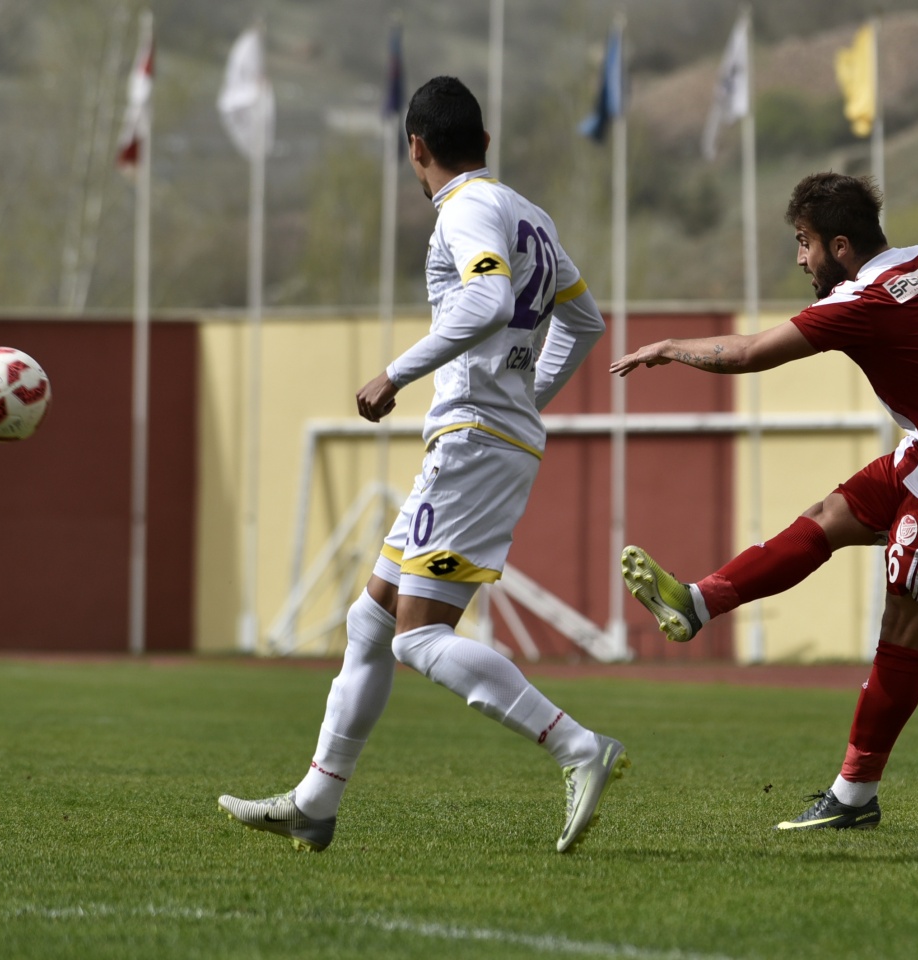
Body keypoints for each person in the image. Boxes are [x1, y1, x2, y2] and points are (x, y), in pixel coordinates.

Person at [611, 172, 918, 830]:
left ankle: (854, 796)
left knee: (901, 628)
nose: (801, 259)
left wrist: (672, 349)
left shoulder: (862, 301)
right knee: (828, 519)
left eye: (804, 243)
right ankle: (698, 602)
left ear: (841, 246)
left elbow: (749, 354)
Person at [220, 77, 626, 853]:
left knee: (416, 638)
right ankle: (315, 801)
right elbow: (585, 319)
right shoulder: (525, 212)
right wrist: (529, 395)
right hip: (486, 434)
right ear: (485, 140)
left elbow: (485, 302)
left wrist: (394, 375)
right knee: (370, 623)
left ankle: (578, 747)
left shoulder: (467, 209)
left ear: (416, 147)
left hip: (472, 440)